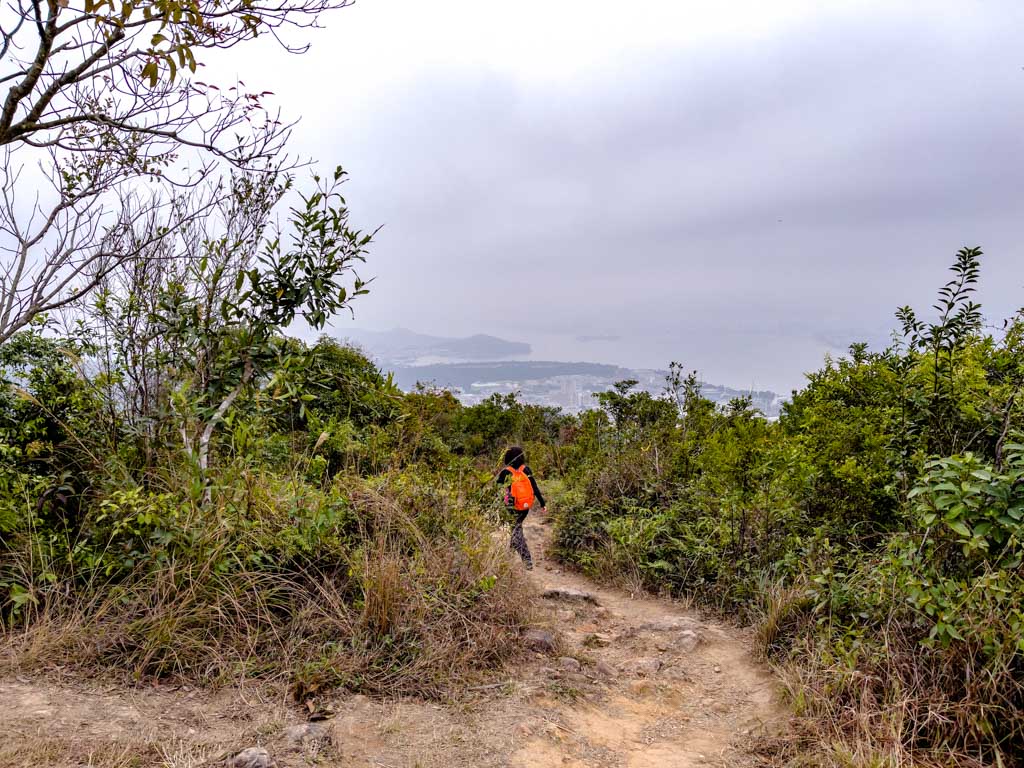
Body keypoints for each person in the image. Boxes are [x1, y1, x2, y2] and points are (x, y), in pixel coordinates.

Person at [496, 445, 546, 570]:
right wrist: (542, 503)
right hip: (525, 507)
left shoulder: (506, 472)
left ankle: (527, 559)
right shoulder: (526, 469)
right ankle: (510, 554)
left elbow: (496, 490)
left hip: (511, 507)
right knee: (516, 528)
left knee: (516, 530)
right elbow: (534, 487)